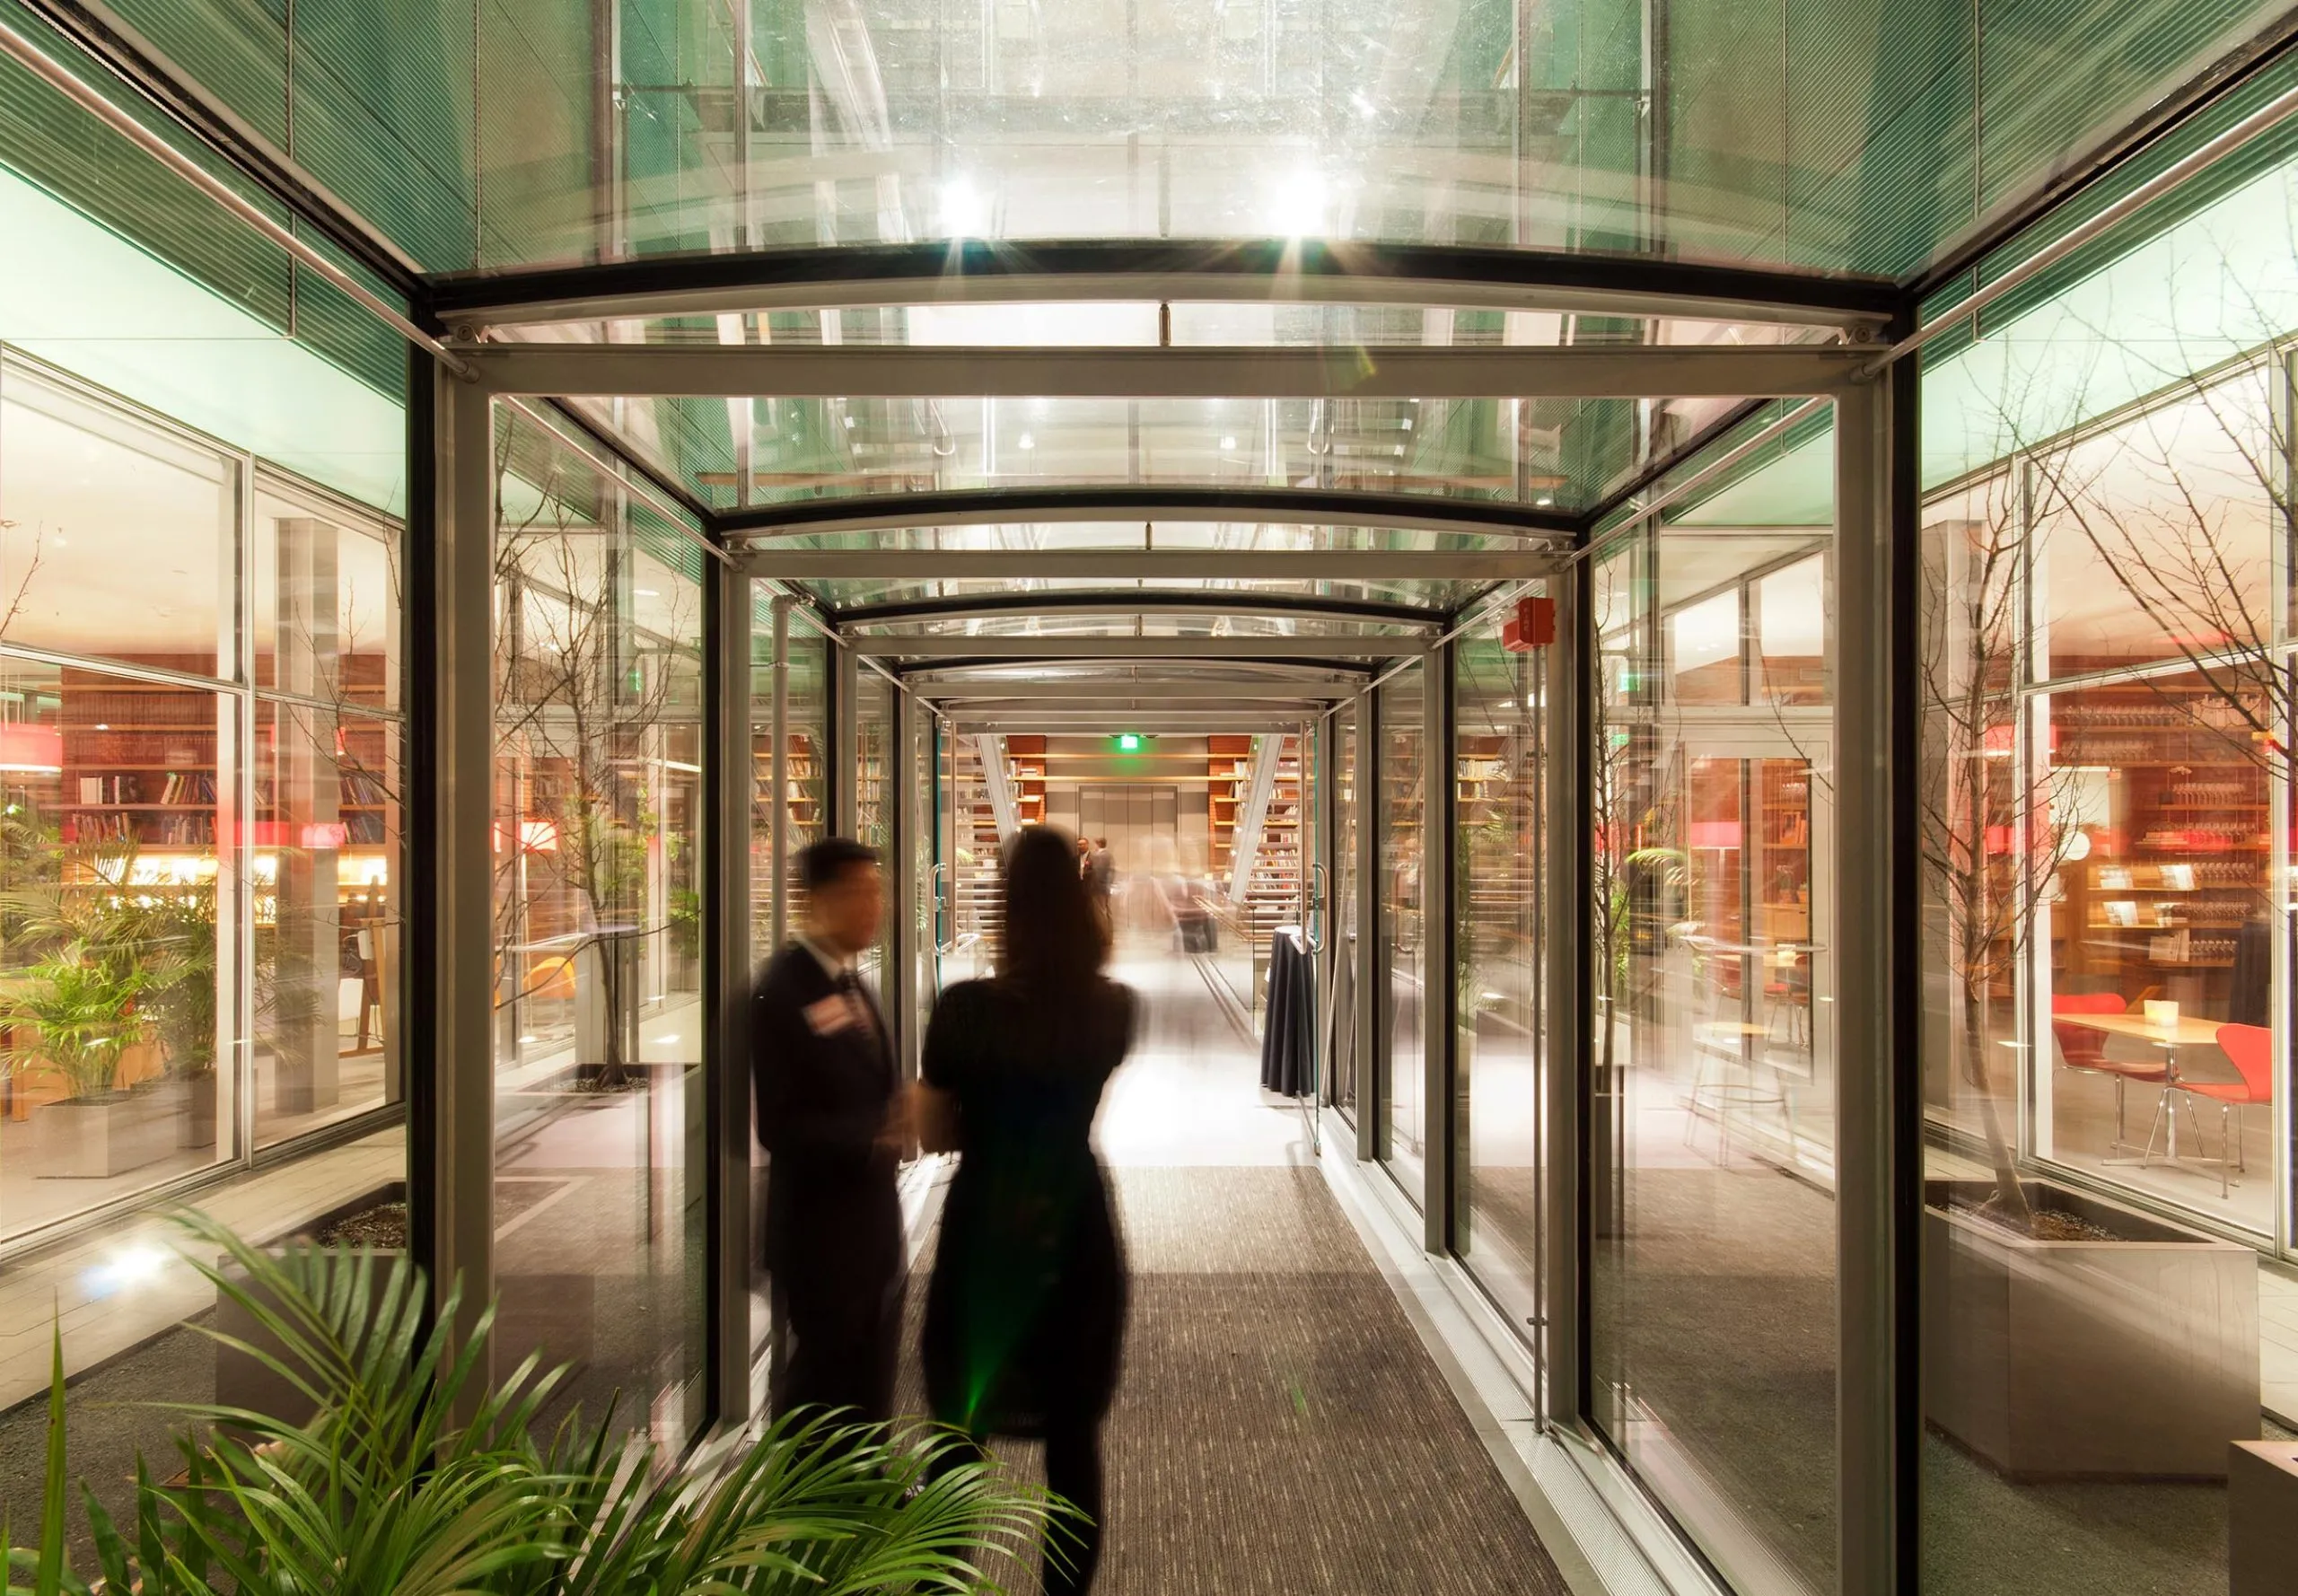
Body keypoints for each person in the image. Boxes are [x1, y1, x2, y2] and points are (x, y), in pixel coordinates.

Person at [915, 826, 1137, 1596]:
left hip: (986, 1230)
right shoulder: (1113, 1009)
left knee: (956, 1431)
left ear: (1005, 906)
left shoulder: (963, 1011)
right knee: (1074, 1439)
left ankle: (937, 1583)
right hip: (1074, 1230)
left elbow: (932, 1130)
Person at [752, 836, 906, 1427]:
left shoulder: (852, 982)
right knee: (820, 1397)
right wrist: (875, 1136)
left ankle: (861, 1505)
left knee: (865, 1390)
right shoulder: (784, 991)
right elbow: (780, 1126)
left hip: (868, 1233)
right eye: (856, 893)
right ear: (814, 900)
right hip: (821, 1239)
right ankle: (798, 1513)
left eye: (877, 892)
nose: (873, 907)